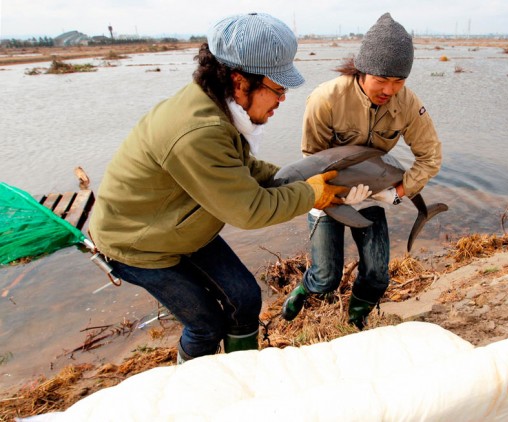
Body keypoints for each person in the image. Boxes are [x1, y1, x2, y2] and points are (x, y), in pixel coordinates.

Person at [88, 12, 348, 363]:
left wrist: (297, 177)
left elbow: (243, 169)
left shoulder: (215, 106)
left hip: (181, 225)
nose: (282, 100)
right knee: (206, 325)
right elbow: (250, 209)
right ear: (240, 82)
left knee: (244, 297)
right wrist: (312, 193)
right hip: (137, 244)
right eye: (278, 89)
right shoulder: (199, 131)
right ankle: (196, 395)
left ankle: (242, 372)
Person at [281, 13, 442, 329]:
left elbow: (430, 157)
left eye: (398, 81)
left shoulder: (407, 103)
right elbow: (312, 162)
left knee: (378, 275)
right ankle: (304, 289)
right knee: (326, 277)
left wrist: (395, 193)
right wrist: (329, 197)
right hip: (325, 191)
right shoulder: (326, 98)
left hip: (372, 193)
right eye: (381, 80)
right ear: (361, 69)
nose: (389, 90)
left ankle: (356, 318)